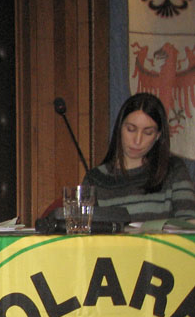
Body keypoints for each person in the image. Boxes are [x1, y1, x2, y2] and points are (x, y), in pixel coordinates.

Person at [81, 92, 195, 221]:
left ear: (158, 135)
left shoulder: (173, 170)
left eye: (148, 132)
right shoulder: (96, 179)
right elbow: (85, 228)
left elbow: (188, 223)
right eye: (131, 129)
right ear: (119, 128)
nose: (137, 140)